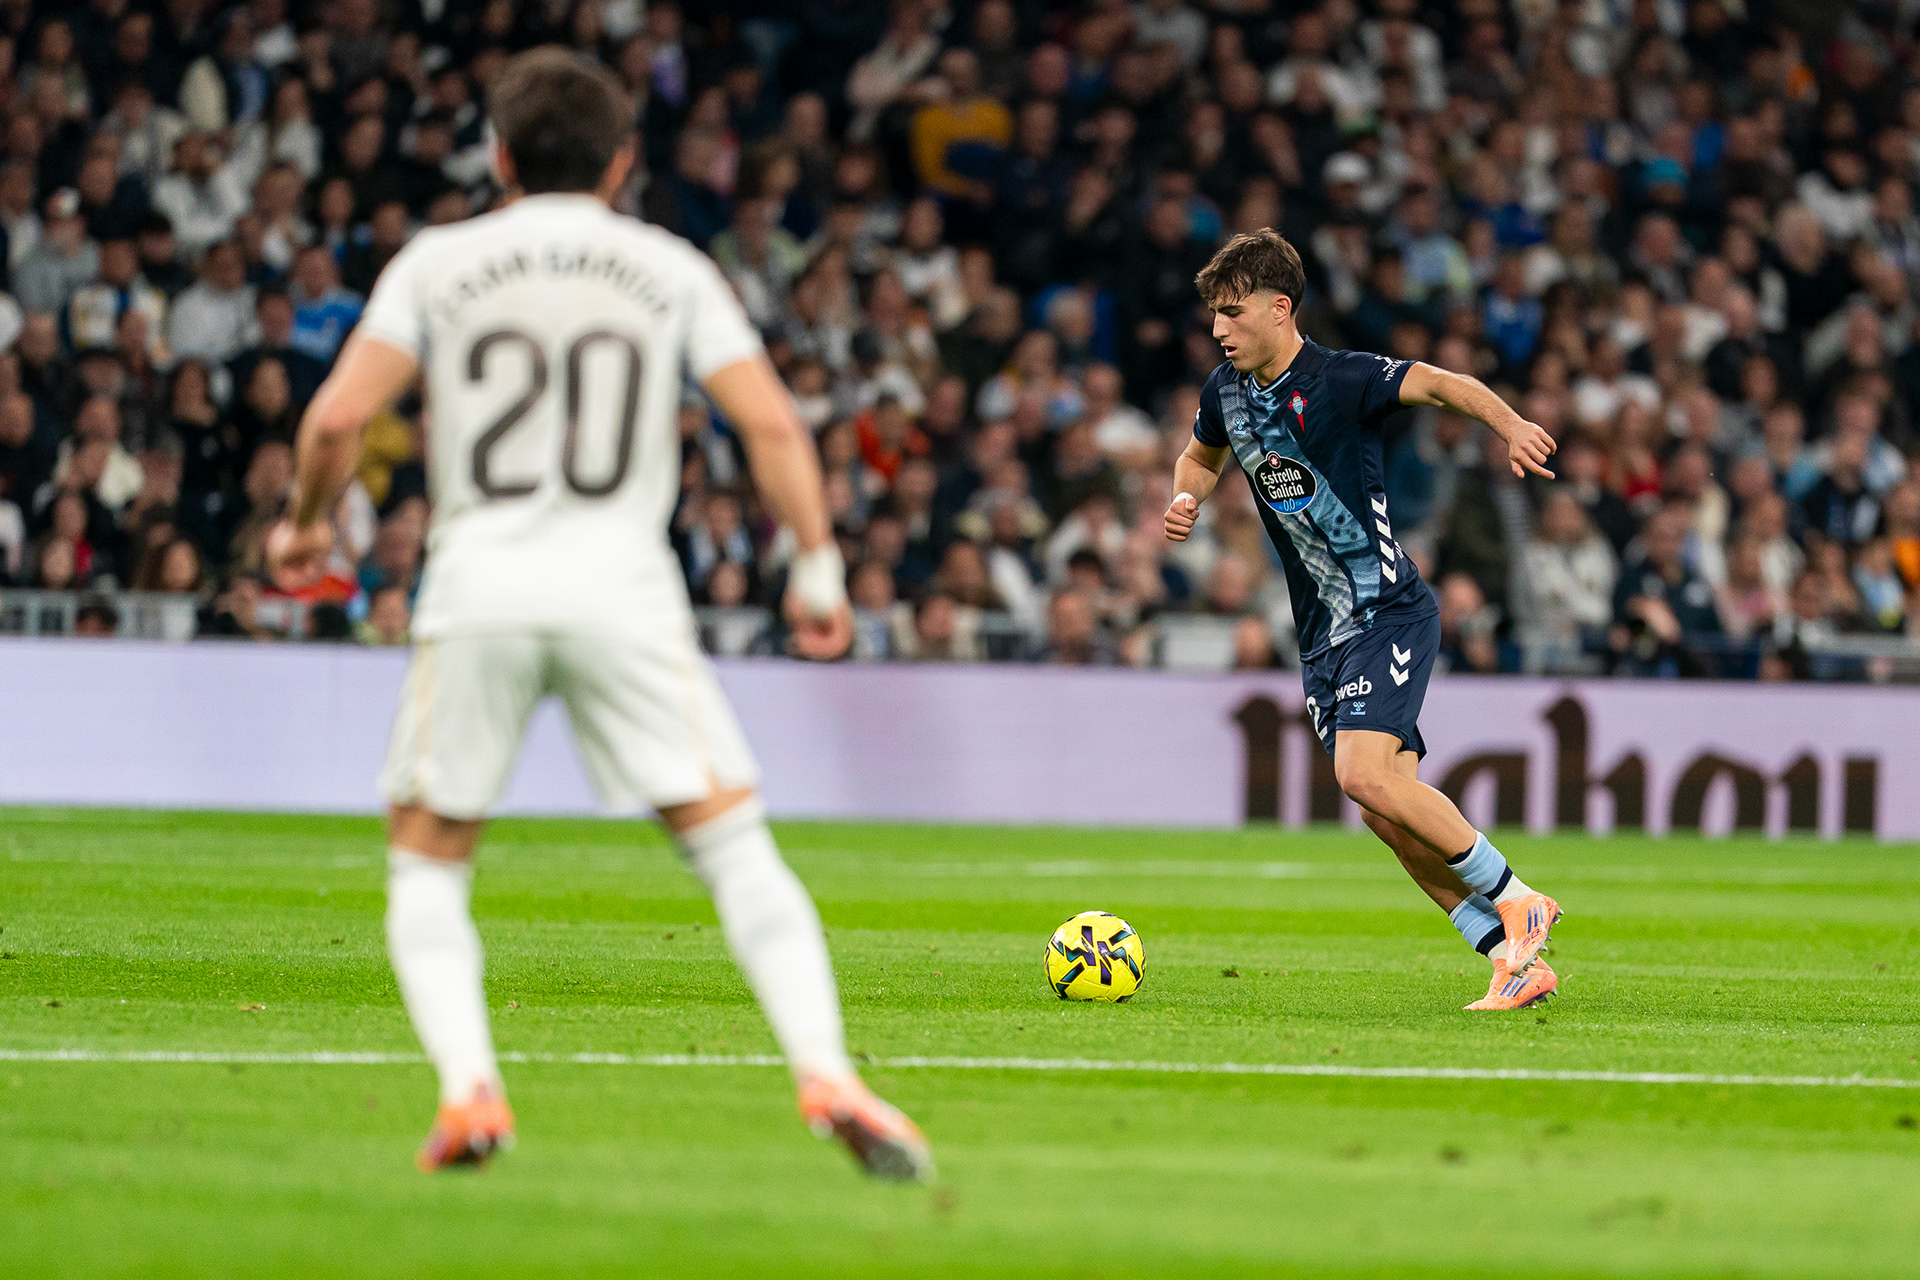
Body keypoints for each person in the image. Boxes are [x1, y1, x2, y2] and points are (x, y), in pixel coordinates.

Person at [264, 49, 931, 1182]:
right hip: (622, 588)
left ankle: (470, 1090)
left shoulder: (439, 261)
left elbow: (335, 421)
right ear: (622, 161)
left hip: (478, 586)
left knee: (429, 862)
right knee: (733, 848)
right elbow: (773, 424)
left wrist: (303, 524)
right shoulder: (668, 267)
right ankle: (829, 1073)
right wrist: (817, 565)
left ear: (499, 156)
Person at [1164, 229, 1564, 1012]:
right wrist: (1186, 496)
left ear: (1280, 310)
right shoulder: (1225, 392)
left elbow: (1441, 385)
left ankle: (1519, 898)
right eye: (1214, 314)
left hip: (1386, 610)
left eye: (1232, 312)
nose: (1217, 329)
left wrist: (1511, 425)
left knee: (1361, 775)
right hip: (1321, 638)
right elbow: (1200, 457)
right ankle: (1508, 959)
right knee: (1386, 812)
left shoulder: (1343, 379)